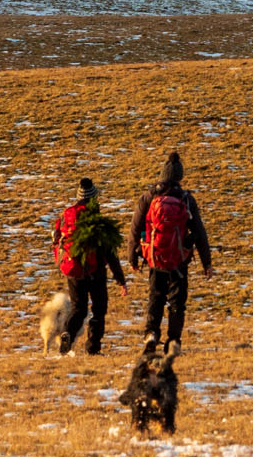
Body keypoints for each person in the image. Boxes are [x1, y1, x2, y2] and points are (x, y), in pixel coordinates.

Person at [131, 151, 212, 347]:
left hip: (155, 256)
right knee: (177, 302)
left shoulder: (149, 197)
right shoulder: (185, 199)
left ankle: (151, 333)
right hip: (179, 258)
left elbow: (135, 227)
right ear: (179, 177)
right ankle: (174, 339)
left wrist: (133, 255)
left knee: (155, 297)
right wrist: (206, 262)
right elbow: (199, 231)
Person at [51, 178, 128, 356]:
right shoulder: (97, 221)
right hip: (96, 271)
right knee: (98, 310)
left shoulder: (65, 216)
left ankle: (67, 334)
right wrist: (120, 280)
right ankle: (93, 348)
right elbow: (110, 253)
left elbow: (56, 240)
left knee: (79, 308)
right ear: (94, 198)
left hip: (73, 270)